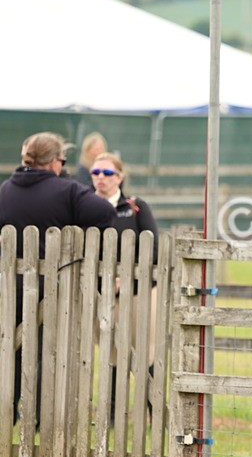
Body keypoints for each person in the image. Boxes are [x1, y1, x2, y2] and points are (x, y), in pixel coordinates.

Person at [0, 132, 115, 422]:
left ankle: (7, 413)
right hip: (52, 287)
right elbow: (105, 213)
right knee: (49, 352)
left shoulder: (4, 191)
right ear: (53, 162)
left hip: (9, 287)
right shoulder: (68, 191)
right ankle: (42, 418)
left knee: (9, 349)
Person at [90, 151, 159, 423]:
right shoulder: (84, 206)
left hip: (140, 292)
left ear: (120, 177)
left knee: (146, 351)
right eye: (96, 173)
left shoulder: (136, 206)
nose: (101, 178)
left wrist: (126, 276)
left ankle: (154, 414)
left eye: (107, 173)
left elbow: (152, 248)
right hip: (103, 294)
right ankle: (111, 416)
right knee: (112, 354)